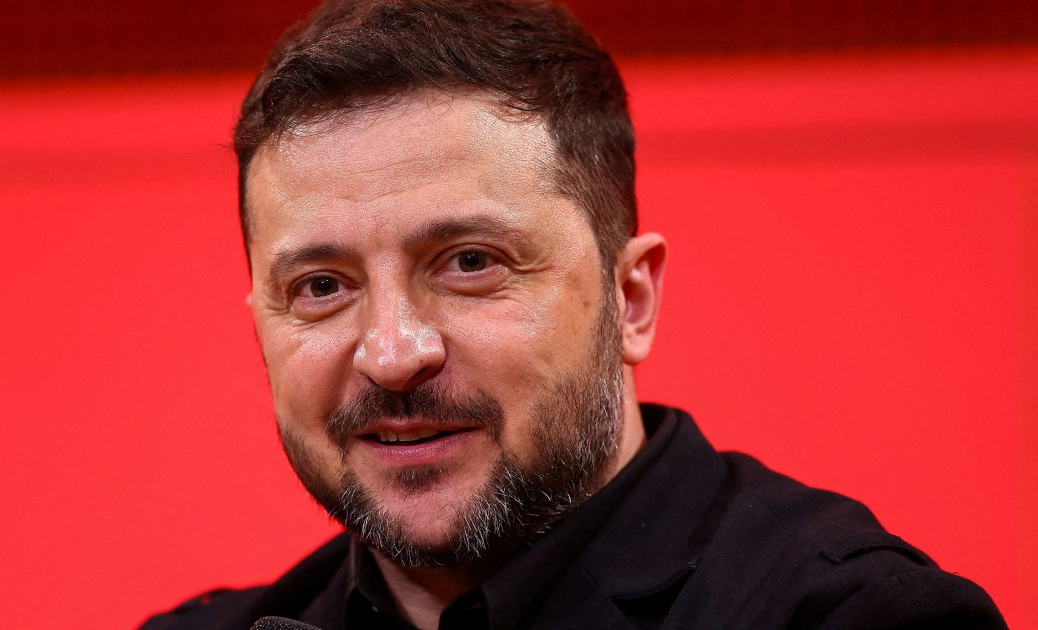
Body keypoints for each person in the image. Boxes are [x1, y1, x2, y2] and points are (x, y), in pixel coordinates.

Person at [143, 1, 1006, 628]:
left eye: (470, 263)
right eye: (321, 286)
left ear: (631, 300)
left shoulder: (849, 615)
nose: (393, 353)